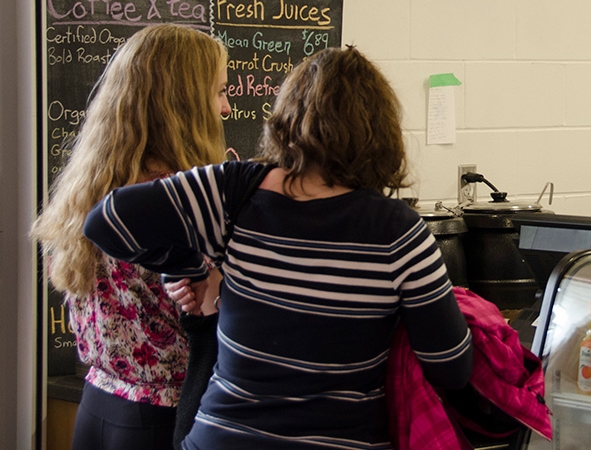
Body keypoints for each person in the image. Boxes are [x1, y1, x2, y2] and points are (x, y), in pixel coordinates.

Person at [81, 46, 474, 449]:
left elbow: (105, 221)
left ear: (286, 117)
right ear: (380, 132)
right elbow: (451, 369)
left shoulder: (234, 189)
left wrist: (188, 266)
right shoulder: (400, 233)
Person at [28, 23, 229, 450]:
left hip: (97, 404)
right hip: (161, 418)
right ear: (184, 104)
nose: (226, 108)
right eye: (218, 92)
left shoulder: (90, 186)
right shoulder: (176, 197)